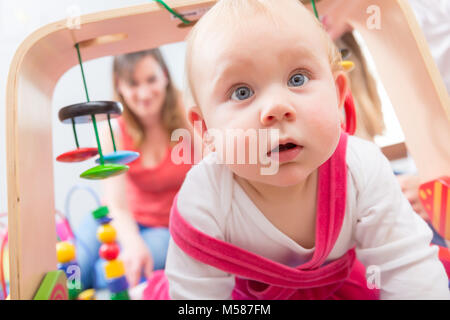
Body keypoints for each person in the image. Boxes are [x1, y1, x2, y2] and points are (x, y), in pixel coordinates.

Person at [162, 0, 449, 299]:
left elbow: (408, 269)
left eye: (297, 78)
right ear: (206, 129)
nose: (276, 107)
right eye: (242, 92)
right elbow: (195, 298)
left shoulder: (361, 167)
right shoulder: (204, 197)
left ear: (338, 94)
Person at [75, 48, 194, 289]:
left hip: (166, 226)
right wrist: (131, 241)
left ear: (164, 75)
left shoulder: (187, 113)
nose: (144, 93)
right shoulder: (114, 130)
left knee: (108, 275)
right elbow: (115, 203)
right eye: (133, 84)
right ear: (119, 85)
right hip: (121, 216)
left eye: (151, 80)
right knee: (75, 267)